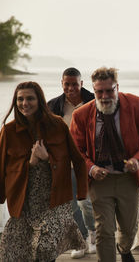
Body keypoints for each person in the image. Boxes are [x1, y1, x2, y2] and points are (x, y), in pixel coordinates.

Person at [70, 67, 139, 262]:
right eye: (99, 92)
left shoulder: (137, 104)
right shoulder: (81, 114)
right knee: (104, 231)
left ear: (117, 87)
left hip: (130, 178)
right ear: (93, 91)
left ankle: (125, 249)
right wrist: (92, 168)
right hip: (99, 181)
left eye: (109, 90)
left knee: (129, 228)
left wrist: (138, 160)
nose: (104, 96)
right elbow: (76, 151)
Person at [0, 81, 88, 262]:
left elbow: (78, 160)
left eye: (30, 98)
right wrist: (30, 163)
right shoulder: (8, 131)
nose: (25, 103)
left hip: (55, 200)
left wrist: (81, 193)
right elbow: (1, 168)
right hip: (24, 201)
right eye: (20, 99)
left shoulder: (58, 125)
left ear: (40, 100)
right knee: (16, 252)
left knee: (45, 249)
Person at [47, 67, 96, 259]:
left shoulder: (93, 101)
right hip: (64, 164)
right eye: (66, 84)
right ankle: (80, 240)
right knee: (72, 205)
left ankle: (93, 234)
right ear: (62, 83)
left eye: (74, 84)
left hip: (86, 162)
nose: (70, 88)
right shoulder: (54, 106)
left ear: (81, 84)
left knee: (86, 203)